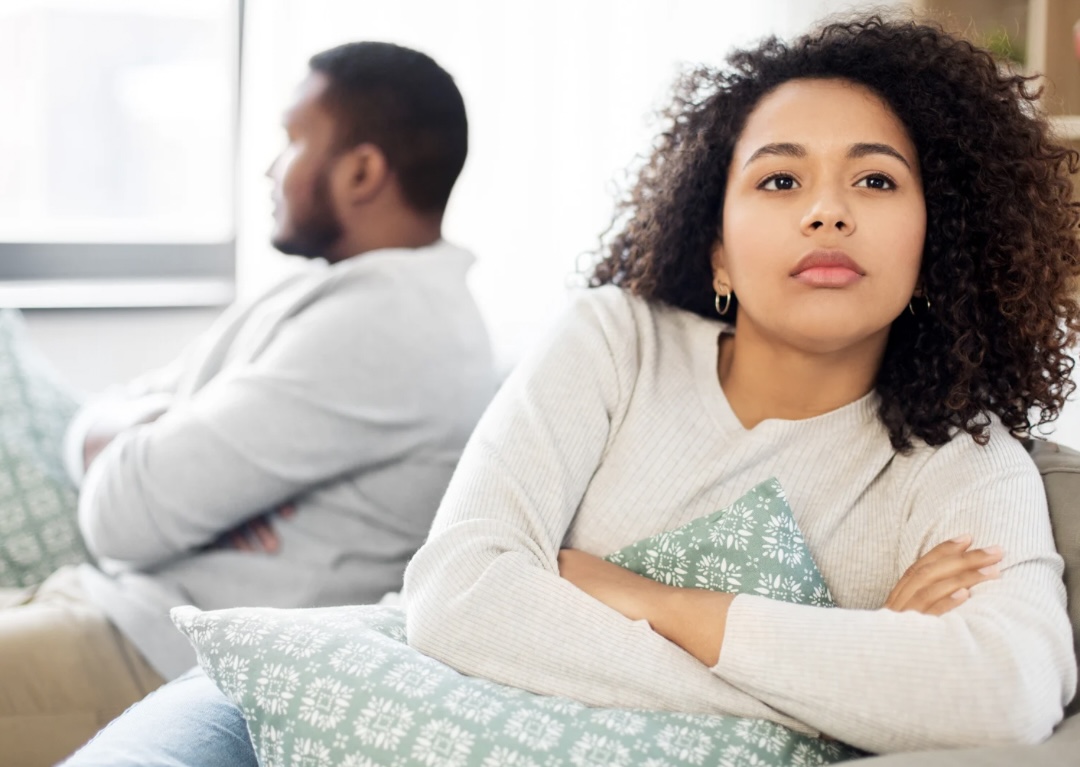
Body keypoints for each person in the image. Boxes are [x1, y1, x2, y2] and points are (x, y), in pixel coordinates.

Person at [65, 15, 1078, 765]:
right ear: (716, 244)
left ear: (933, 234)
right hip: (326, 685)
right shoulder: (613, 338)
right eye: (778, 180)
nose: (825, 212)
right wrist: (851, 675)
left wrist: (643, 596)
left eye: (874, 181)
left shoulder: (962, 455)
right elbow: (460, 596)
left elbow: (1008, 690)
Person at [0, 41, 495, 767]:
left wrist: (150, 443)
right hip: (102, 608)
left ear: (362, 170)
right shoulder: (328, 293)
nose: (271, 168)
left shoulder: (390, 323)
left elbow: (121, 515)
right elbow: (103, 417)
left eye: (293, 139)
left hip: (149, 661)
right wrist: (148, 435)